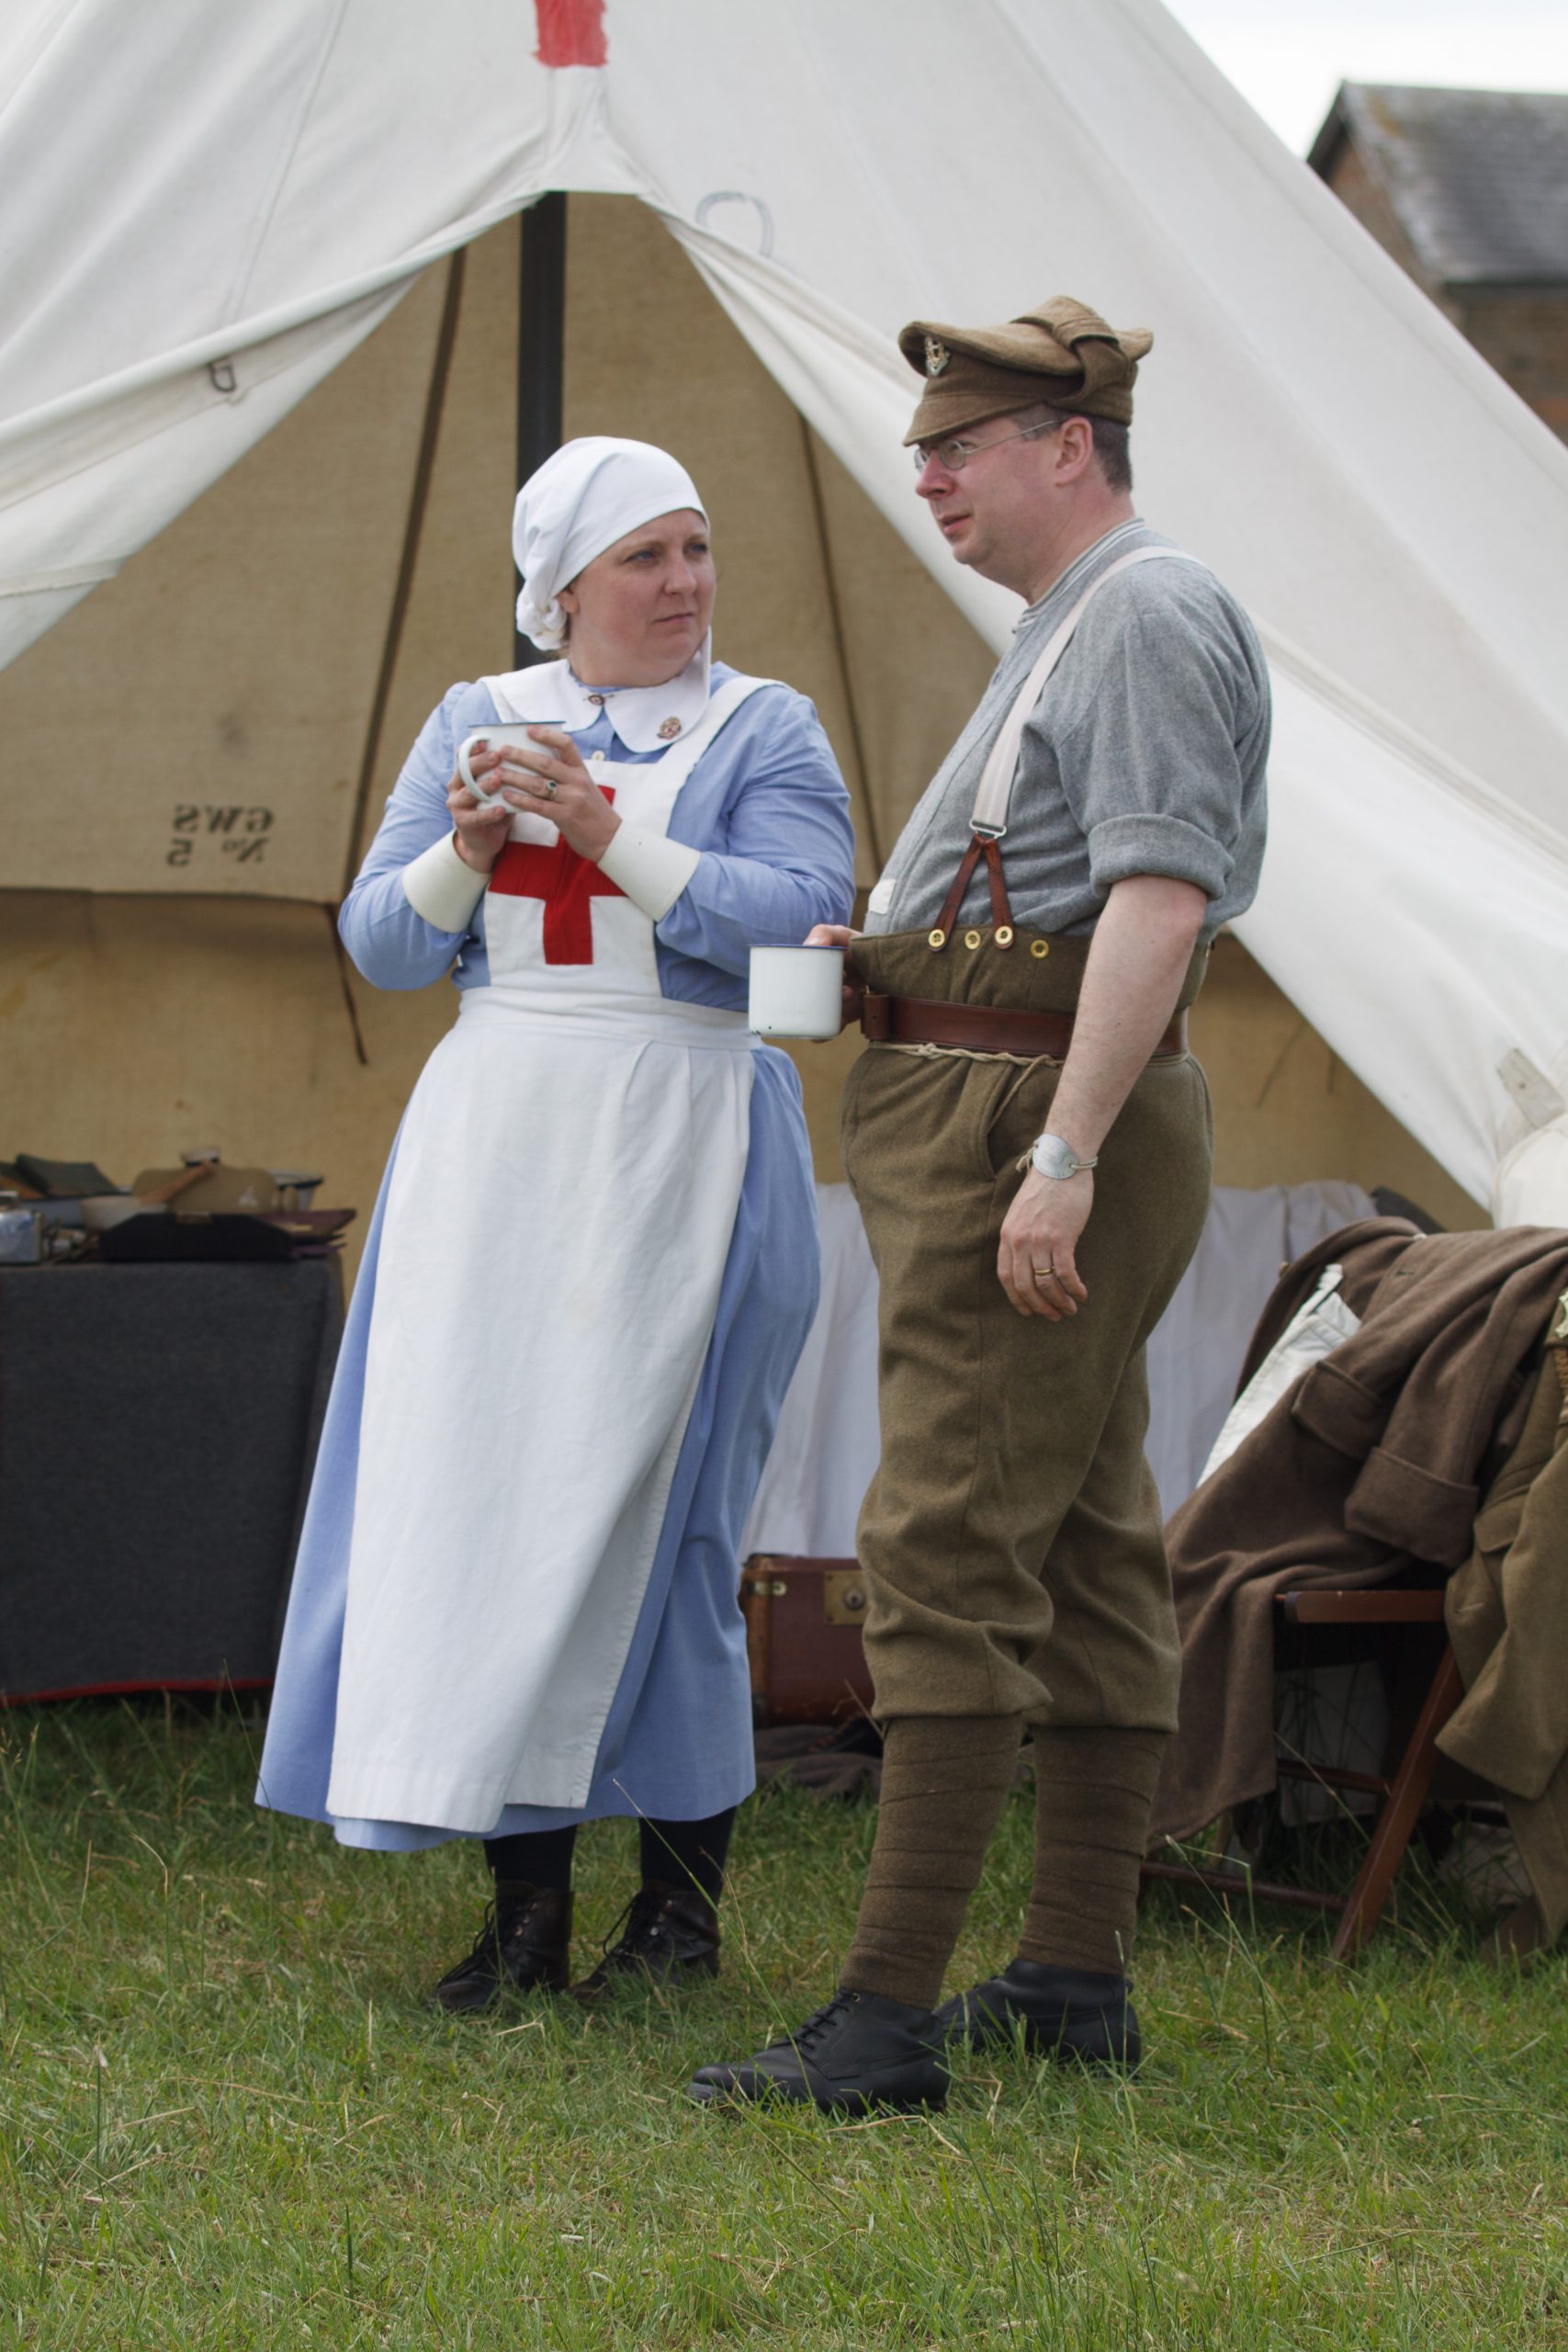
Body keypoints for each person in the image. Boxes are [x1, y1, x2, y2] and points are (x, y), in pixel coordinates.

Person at [691, 299, 1269, 2112]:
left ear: (1064, 447)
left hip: (1028, 1113)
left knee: (942, 1539)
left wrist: (1065, 1151)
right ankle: (1071, 1973)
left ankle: (876, 2021)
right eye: (923, 449)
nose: (926, 477)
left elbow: (1157, 905)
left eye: (958, 448)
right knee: (1090, 1537)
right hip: (990, 1089)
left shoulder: (1149, 611)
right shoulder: (1069, 623)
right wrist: (872, 958)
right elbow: (1038, 896)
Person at [258, 436, 854, 2010]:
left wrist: (608, 835)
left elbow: (805, 916)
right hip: (501, 1147)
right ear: (565, 589)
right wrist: (466, 847)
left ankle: (677, 1918)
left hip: (687, 1129)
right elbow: (381, 945)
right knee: (491, 1505)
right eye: (646, 558)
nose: (685, 585)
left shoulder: (763, 726)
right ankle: (521, 1907)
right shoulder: (478, 719)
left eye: (699, 549)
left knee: (669, 1532)